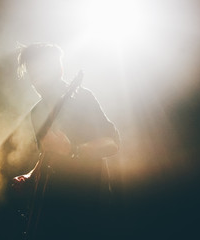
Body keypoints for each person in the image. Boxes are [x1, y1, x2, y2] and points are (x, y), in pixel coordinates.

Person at [12, 43, 120, 240]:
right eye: (31, 74)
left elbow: (112, 143)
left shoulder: (82, 98)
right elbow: (47, 154)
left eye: (40, 72)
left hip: (88, 206)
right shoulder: (37, 112)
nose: (35, 80)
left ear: (58, 70)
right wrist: (29, 176)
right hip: (52, 209)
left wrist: (73, 150)